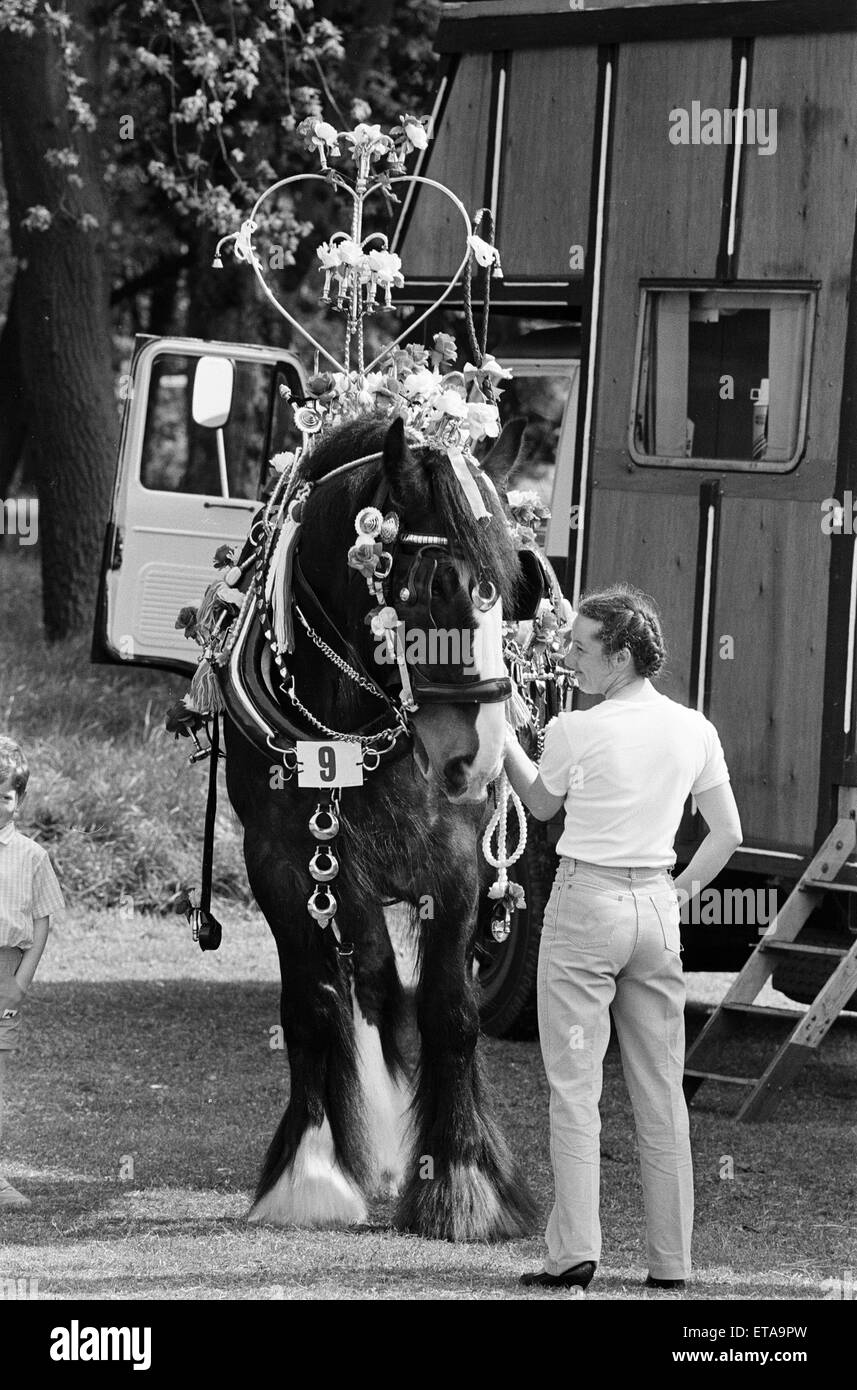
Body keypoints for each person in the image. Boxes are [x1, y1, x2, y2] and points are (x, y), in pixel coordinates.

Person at [503, 584, 742, 1291]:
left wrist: (504, 744)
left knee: (573, 1088)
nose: (570, 658)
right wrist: (678, 894)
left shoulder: (576, 729)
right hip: (655, 912)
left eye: (582, 647)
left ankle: (573, 1252)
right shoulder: (694, 727)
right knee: (660, 1092)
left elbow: (540, 804)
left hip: (585, 908)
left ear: (623, 656)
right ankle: (670, 1263)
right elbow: (727, 832)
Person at [0, 736, 64, 1207]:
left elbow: (41, 925)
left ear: (19, 800)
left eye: (5, 794)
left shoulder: (32, 857)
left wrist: (20, 982)